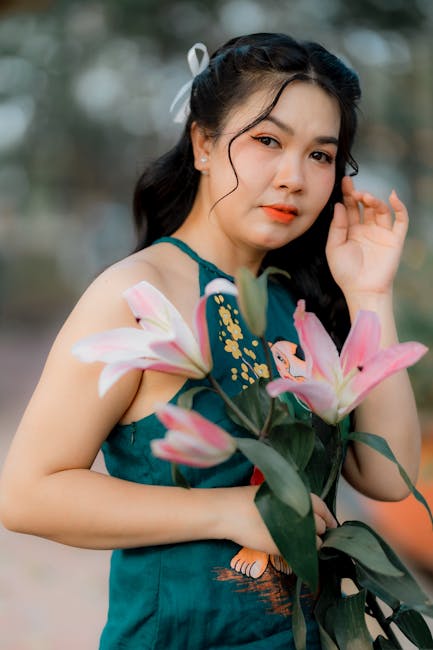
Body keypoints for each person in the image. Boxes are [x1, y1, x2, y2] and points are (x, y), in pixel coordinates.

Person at [0, 32, 421, 649]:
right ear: (202, 144)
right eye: (268, 141)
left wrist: (370, 294)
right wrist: (228, 511)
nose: (293, 178)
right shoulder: (139, 295)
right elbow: (27, 494)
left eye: (320, 155)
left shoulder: (298, 302)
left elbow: (387, 477)